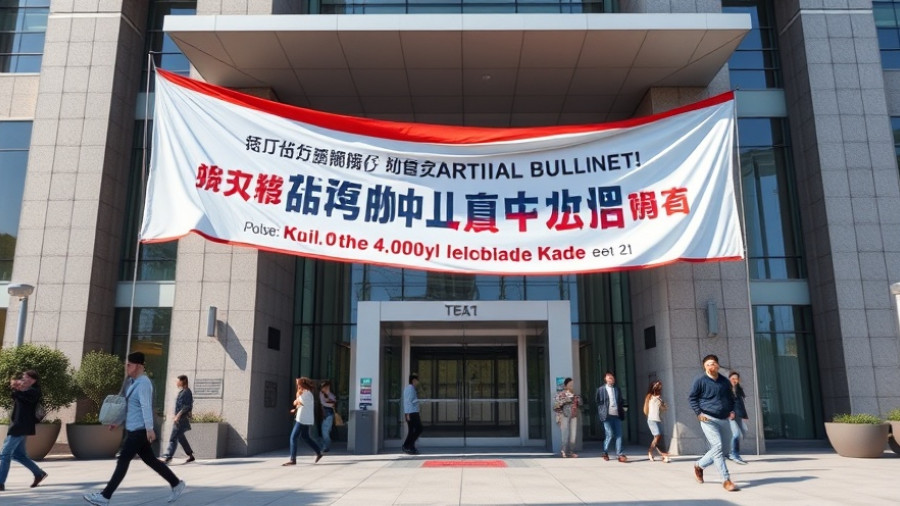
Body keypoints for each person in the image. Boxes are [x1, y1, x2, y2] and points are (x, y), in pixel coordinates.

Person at [84, 352, 185, 505]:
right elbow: (130, 406)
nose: (126, 367)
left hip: (139, 431)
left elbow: (145, 406)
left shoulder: (144, 383)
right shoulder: (133, 382)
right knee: (151, 460)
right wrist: (118, 421)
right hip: (135, 429)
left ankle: (105, 496)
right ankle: (176, 484)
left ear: (138, 365)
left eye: (129, 364)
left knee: (123, 460)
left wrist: (149, 429)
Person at [688, 354, 738, 492]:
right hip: (708, 418)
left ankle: (699, 465)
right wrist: (699, 413)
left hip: (724, 418)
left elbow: (731, 397)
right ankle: (726, 480)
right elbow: (692, 398)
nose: (711, 366)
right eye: (708, 364)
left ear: (718, 365)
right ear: (704, 366)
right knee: (717, 446)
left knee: (725, 450)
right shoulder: (700, 380)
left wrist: (732, 410)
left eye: (714, 363)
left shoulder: (724, 381)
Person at [0, 370, 48, 492]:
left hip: (21, 426)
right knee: (19, 455)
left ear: (33, 380)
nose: (24, 379)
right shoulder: (24, 390)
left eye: (26, 377)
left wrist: (17, 389)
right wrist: (16, 387)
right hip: (19, 425)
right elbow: (15, 396)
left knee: (5, 454)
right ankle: (39, 473)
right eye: (23, 377)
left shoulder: (34, 392)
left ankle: (0, 482)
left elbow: (23, 398)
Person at [283, 377, 322, 465]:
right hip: (305, 418)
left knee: (293, 437)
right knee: (305, 437)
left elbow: (297, 402)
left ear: (302, 385)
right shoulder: (306, 393)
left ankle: (293, 459)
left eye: (298, 385)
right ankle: (318, 452)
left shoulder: (306, 394)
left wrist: (296, 400)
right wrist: (295, 408)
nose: (297, 386)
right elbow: (298, 404)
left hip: (302, 418)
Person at [161, 375, 195, 465]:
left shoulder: (187, 392)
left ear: (183, 381)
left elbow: (187, 406)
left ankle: (168, 457)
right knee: (181, 438)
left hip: (181, 420)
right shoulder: (182, 392)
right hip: (180, 419)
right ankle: (190, 455)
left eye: (178, 381)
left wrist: (178, 416)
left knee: (173, 438)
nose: (177, 382)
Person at [595, 371, 627, 462]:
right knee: (609, 434)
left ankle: (619, 454)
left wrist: (623, 409)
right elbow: (598, 401)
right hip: (607, 416)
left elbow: (621, 400)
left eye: (612, 377)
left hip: (616, 415)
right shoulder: (601, 389)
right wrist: (601, 412)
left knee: (619, 435)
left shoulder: (617, 389)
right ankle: (605, 452)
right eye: (609, 377)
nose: (611, 379)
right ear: (605, 379)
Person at [553, 377, 581, 458]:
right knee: (565, 434)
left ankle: (571, 451)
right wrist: (566, 400)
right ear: (565, 386)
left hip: (573, 416)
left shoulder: (575, 395)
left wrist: (578, 400)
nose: (572, 386)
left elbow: (581, 404)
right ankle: (563, 450)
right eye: (570, 384)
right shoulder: (561, 395)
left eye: (573, 384)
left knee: (573, 434)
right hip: (564, 415)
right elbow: (555, 406)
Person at [644, 380, 670, 463]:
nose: (659, 387)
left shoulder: (660, 397)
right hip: (651, 419)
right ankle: (660, 453)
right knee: (657, 435)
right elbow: (645, 409)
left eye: (660, 386)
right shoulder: (649, 396)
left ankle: (654, 452)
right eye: (657, 385)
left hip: (658, 419)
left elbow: (664, 409)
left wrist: (663, 405)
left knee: (658, 437)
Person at [728, 371, 749, 465]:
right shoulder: (726, 390)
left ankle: (734, 453)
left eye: (736, 379)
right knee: (736, 434)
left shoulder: (739, 390)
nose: (734, 380)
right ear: (729, 379)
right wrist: (730, 412)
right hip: (730, 416)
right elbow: (724, 403)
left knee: (743, 432)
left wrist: (744, 415)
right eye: (732, 378)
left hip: (738, 415)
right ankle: (734, 454)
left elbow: (741, 404)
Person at [402, 373, 422, 455]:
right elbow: (409, 401)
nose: (418, 382)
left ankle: (409, 446)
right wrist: (419, 400)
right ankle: (408, 445)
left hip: (411, 412)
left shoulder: (409, 388)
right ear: (414, 380)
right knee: (419, 428)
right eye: (417, 380)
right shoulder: (410, 389)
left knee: (412, 430)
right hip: (412, 412)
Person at [319, 380, 336, 453]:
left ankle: (326, 446)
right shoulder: (321, 393)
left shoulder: (330, 394)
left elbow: (334, 401)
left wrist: (328, 394)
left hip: (329, 414)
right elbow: (323, 403)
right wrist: (330, 404)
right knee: (325, 431)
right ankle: (326, 445)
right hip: (325, 414)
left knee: (326, 430)